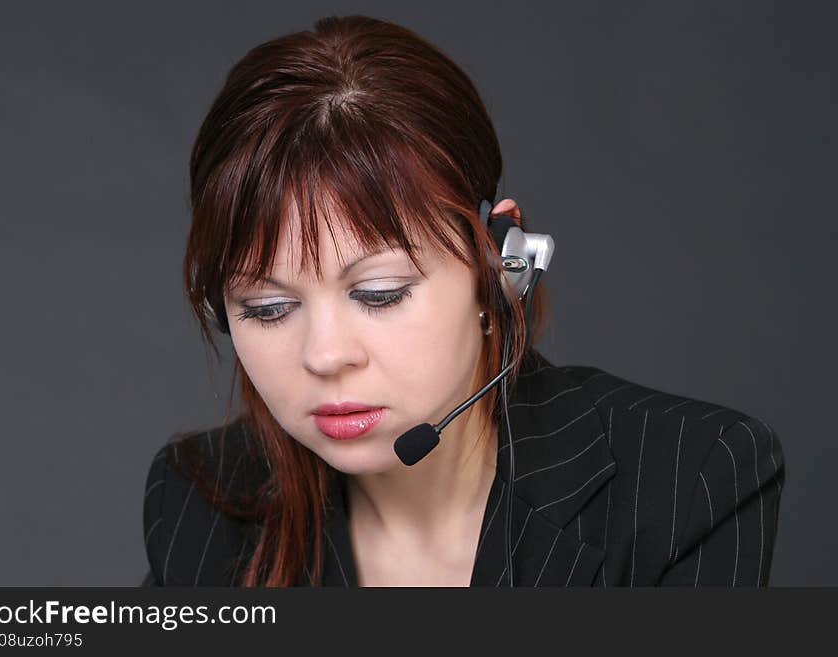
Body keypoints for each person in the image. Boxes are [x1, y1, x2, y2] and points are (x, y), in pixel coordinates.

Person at [141, 15, 785, 587]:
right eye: (267, 308)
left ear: (500, 270)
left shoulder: (689, 477)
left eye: (380, 293)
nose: (325, 356)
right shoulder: (200, 500)